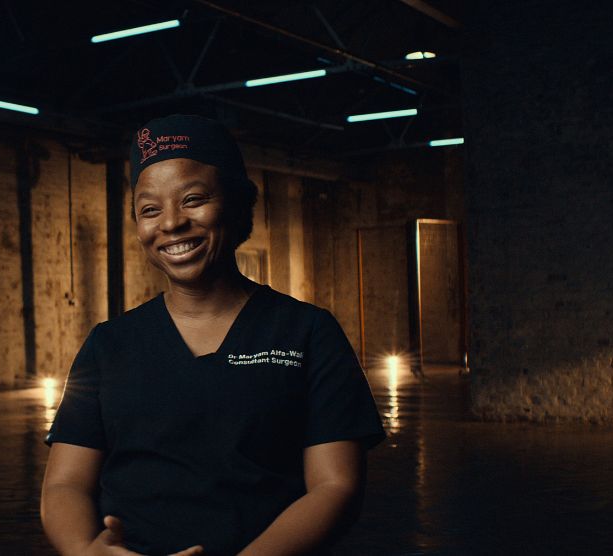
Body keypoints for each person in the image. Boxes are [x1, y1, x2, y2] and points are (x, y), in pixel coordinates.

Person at [41, 114, 385, 556]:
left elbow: (336, 486)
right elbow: (65, 483)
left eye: (193, 199)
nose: (170, 223)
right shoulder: (109, 345)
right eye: (149, 209)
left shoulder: (308, 333)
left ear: (238, 203)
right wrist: (85, 551)